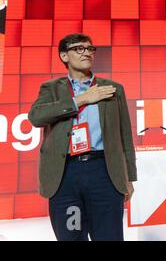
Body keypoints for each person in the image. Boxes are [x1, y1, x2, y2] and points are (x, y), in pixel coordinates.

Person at [28, 33, 136, 241]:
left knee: (109, 237)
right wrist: (83, 98)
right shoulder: (51, 88)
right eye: (79, 48)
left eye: (90, 49)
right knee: (71, 236)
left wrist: (129, 177)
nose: (86, 52)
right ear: (64, 56)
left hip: (103, 173)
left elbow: (125, 137)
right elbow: (36, 116)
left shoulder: (112, 89)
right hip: (65, 175)